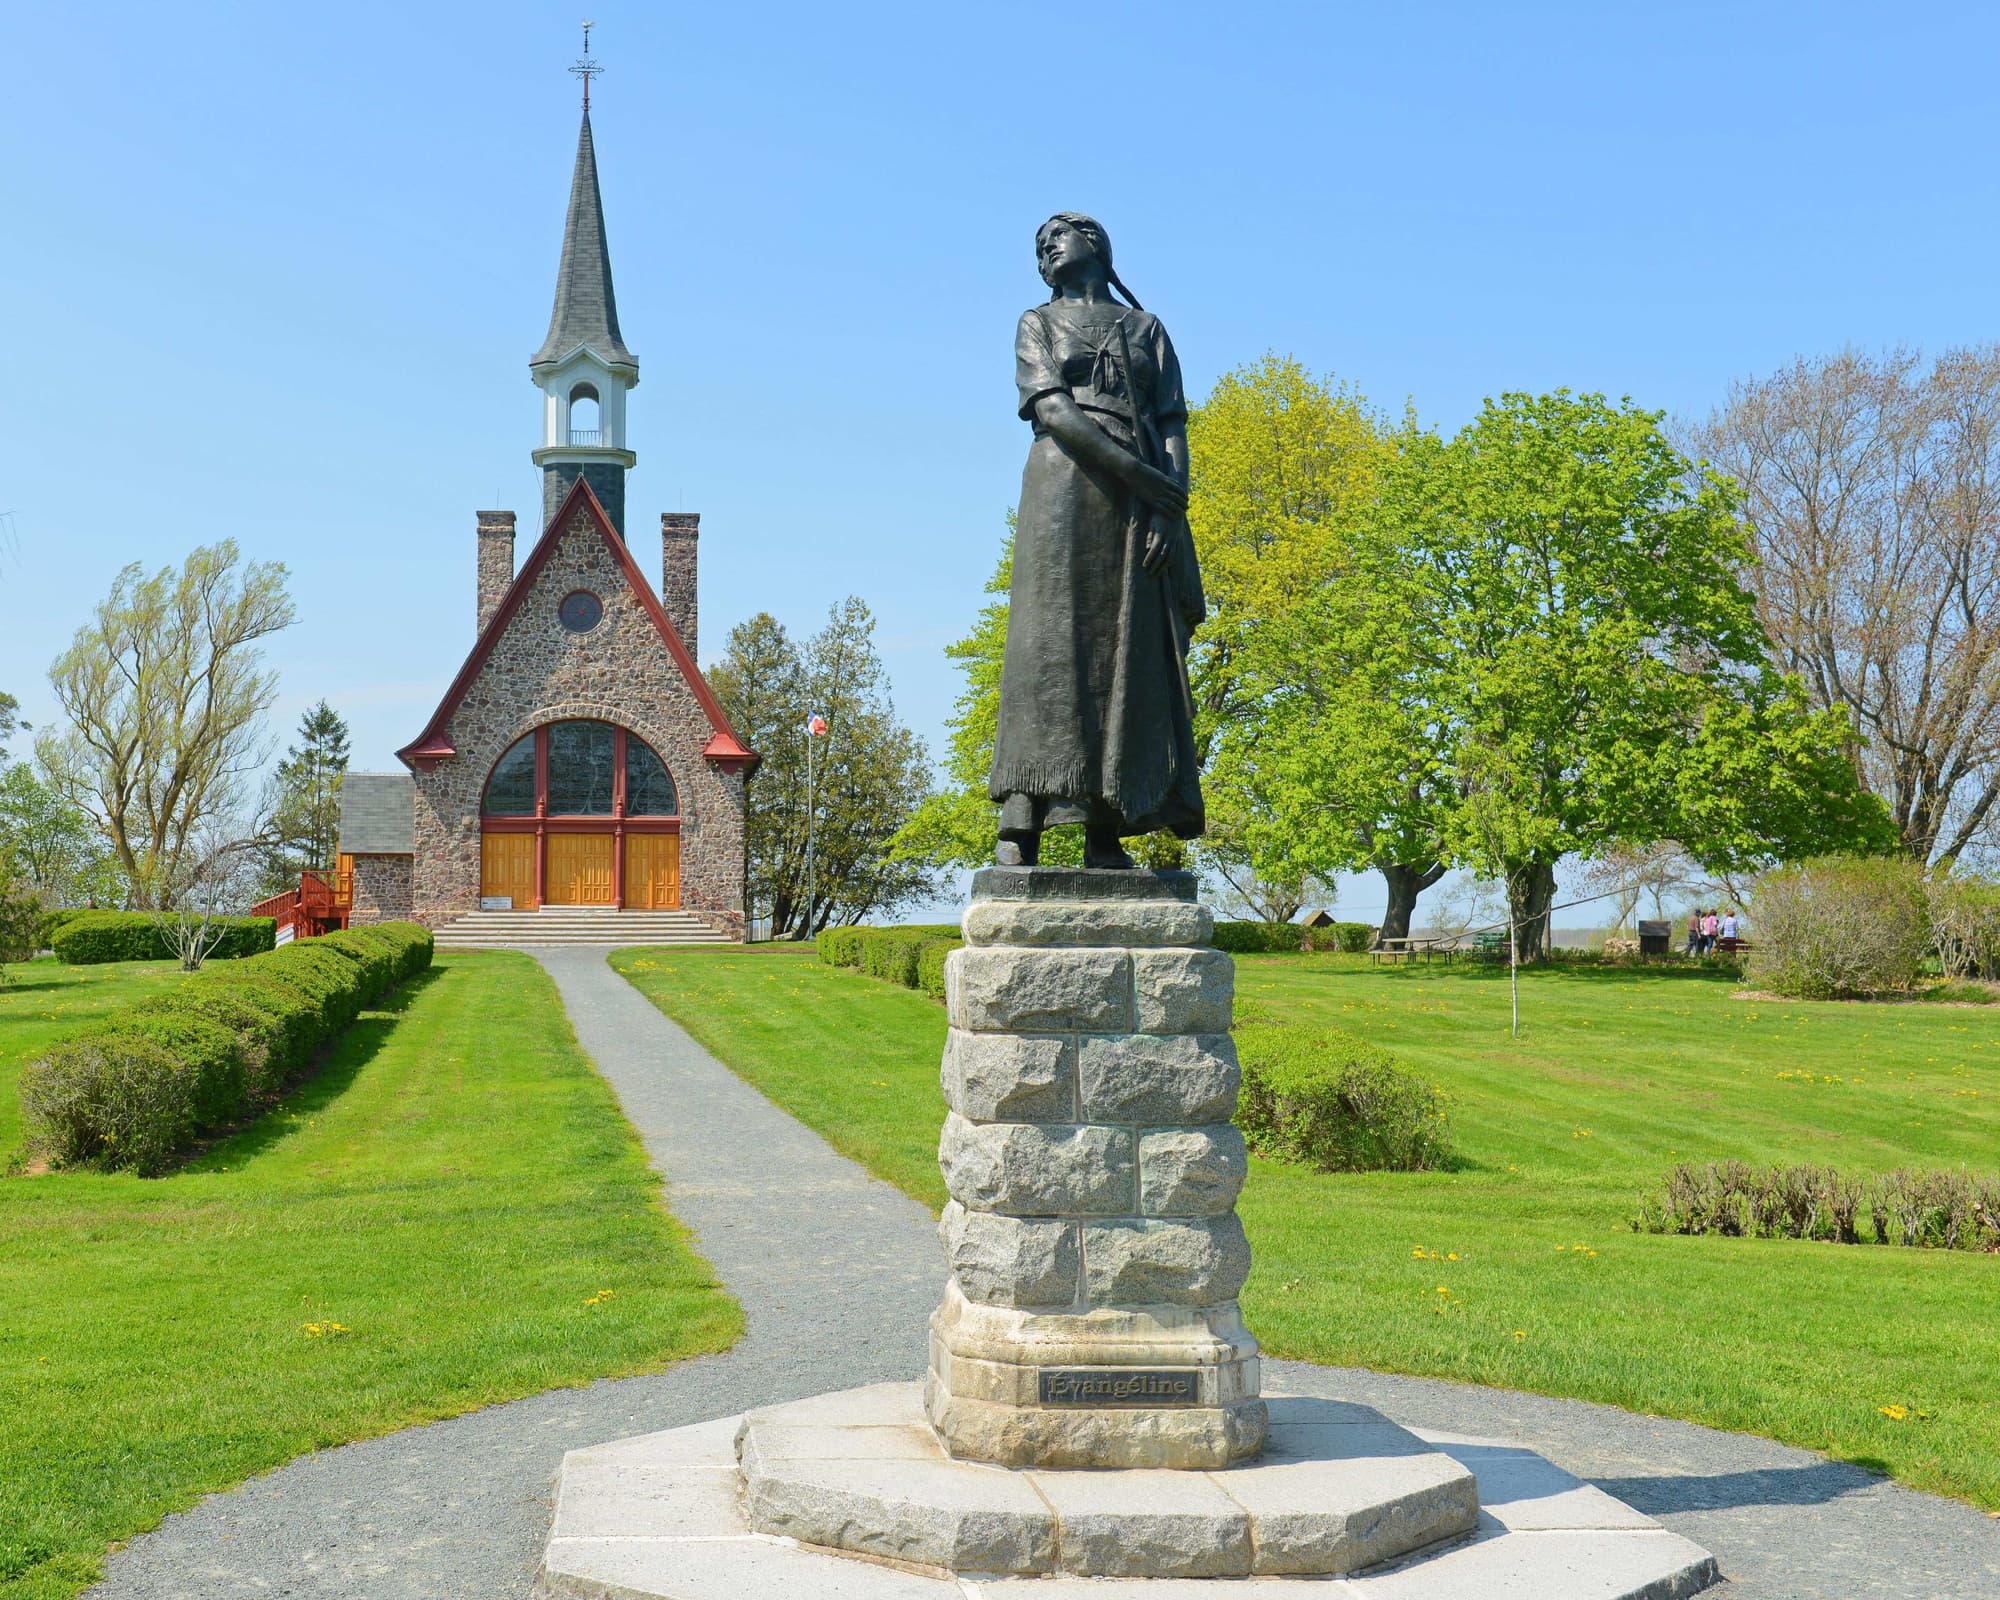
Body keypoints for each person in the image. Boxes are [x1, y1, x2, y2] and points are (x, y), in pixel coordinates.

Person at [989, 213, 1205, 869]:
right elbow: (1053, 410)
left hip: (1139, 509)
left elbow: (1172, 423)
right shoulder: (1037, 324)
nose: (1046, 247)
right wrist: (1143, 477)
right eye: (1039, 245)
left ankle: (1105, 826)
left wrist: (1168, 507)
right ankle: (1021, 816)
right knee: (1048, 649)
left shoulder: (1147, 330)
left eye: (1057, 235)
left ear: (1097, 245)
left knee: (1126, 652)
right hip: (1065, 487)